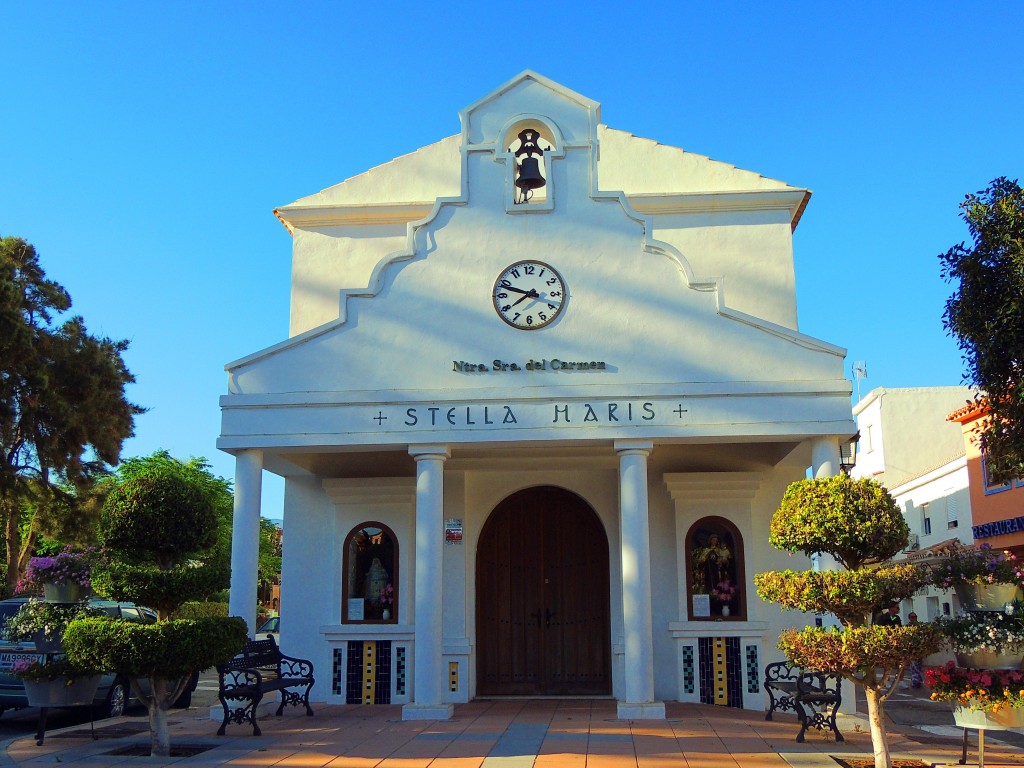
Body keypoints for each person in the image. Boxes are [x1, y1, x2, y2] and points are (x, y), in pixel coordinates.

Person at [907, 612, 923, 688]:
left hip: (920, 648)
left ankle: (919, 680)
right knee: (913, 665)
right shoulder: (907, 627)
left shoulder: (920, 626)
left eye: (915, 616)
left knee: (919, 665)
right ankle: (915, 681)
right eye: (912, 617)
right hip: (912, 649)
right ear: (909, 618)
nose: (914, 618)